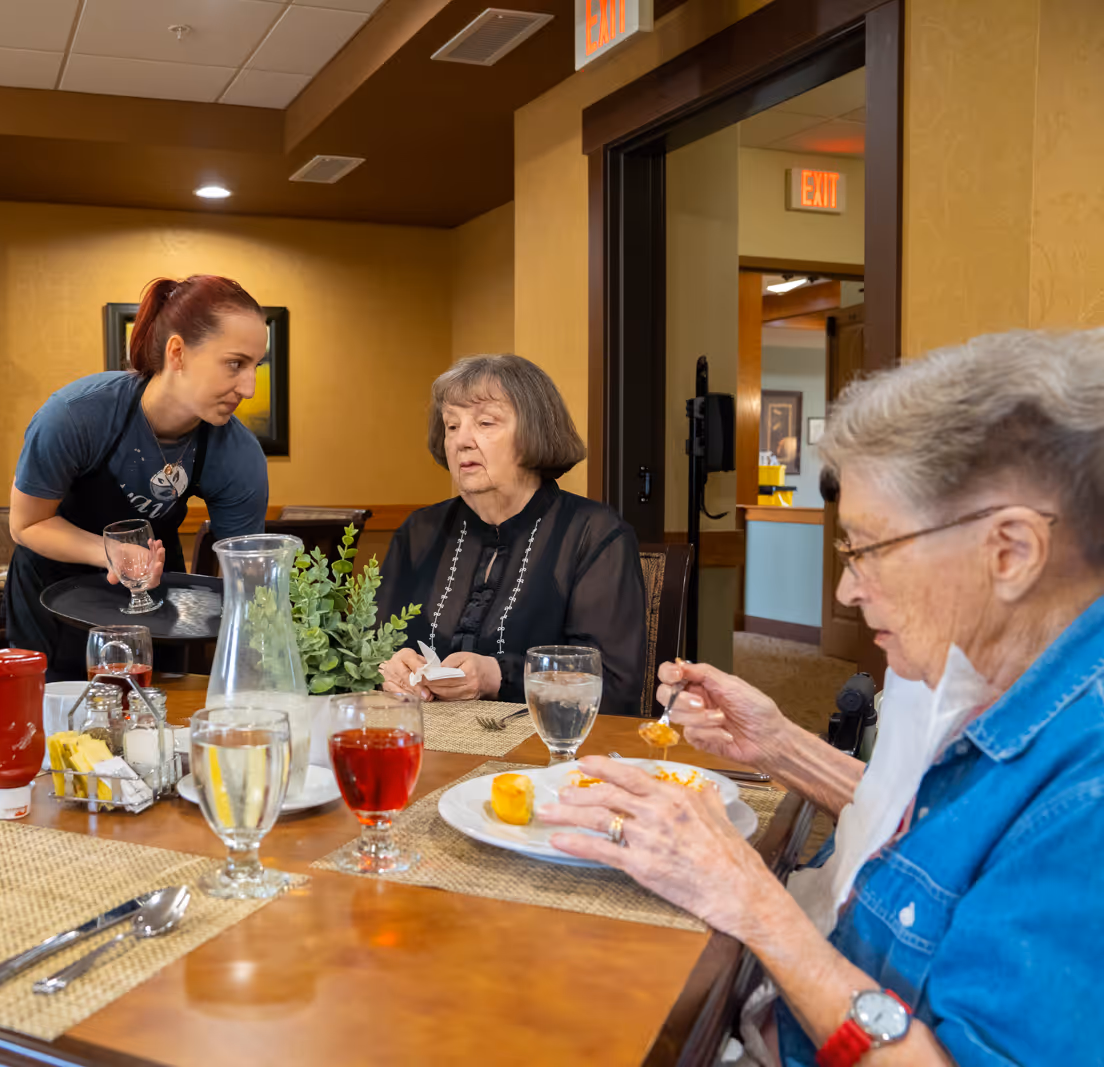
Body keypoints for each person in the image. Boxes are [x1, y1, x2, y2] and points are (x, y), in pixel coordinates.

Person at [542, 329, 1104, 1066]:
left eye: (868, 548)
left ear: (1011, 551)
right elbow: (913, 839)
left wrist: (751, 899)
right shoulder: (1003, 682)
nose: (845, 588)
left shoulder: (1085, 792)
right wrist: (778, 745)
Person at [5, 275, 270, 677]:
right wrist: (111, 552)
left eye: (255, 366)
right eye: (235, 364)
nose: (248, 388)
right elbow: (27, 524)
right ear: (178, 353)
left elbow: (247, 582)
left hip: (155, 591)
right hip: (51, 587)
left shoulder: (238, 455)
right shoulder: (76, 416)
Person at [376, 354, 646, 711]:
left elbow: (612, 684)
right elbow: (370, 646)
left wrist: (498, 676)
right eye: (451, 426)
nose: (462, 441)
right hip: (424, 744)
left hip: (543, 755)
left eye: (485, 423)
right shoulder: (419, 532)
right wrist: (388, 670)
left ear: (534, 432)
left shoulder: (594, 534)